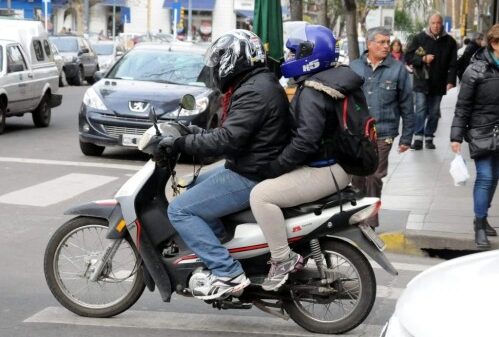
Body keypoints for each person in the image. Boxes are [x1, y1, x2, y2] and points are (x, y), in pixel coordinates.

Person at [158, 30, 291, 300]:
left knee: (180, 210)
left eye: (220, 60)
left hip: (252, 172)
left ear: (234, 59)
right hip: (252, 162)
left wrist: (182, 145)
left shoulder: (254, 90)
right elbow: (235, 132)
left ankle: (227, 272)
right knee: (192, 185)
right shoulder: (255, 83)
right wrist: (194, 133)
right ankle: (218, 248)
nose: (217, 67)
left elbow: (228, 140)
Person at [249, 24, 363, 291]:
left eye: (295, 52)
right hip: (336, 166)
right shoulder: (329, 79)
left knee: (261, 195)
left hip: (325, 170)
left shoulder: (313, 90)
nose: (290, 58)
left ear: (311, 55)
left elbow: (305, 141)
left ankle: (281, 259)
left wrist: (276, 166)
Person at [350, 27, 414, 228]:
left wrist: (406, 138)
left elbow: (407, 105)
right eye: (382, 42)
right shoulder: (353, 67)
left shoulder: (397, 69)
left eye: (388, 42)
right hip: (357, 133)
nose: (387, 46)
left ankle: (370, 222)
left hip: (383, 132)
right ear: (369, 44)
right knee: (357, 176)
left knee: (374, 176)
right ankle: (356, 215)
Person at [450, 23, 499, 249]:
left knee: (494, 178)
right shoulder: (475, 70)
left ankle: (482, 216)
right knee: (486, 176)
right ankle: (479, 225)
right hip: (481, 131)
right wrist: (456, 136)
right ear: (494, 44)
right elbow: (463, 106)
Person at [406, 12, 457, 150]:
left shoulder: (450, 42)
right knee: (421, 109)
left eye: (438, 23)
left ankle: (429, 136)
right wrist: (423, 59)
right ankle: (418, 137)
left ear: (442, 24)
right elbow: (408, 57)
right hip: (421, 81)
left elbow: (453, 64)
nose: (436, 26)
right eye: (433, 23)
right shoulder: (419, 38)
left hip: (438, 82)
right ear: (429, 24)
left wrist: (451, 80)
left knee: (434, 112)